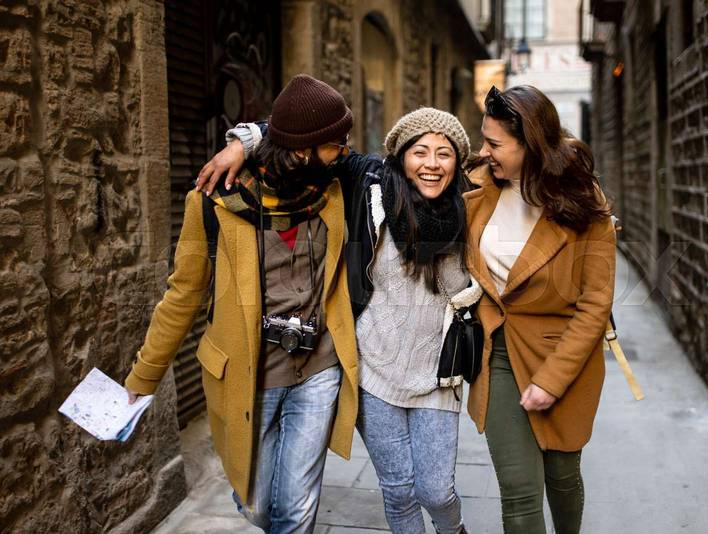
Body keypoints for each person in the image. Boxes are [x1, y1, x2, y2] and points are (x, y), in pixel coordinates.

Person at [198, 108, 482, 534]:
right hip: (374, 370)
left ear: (459, 160)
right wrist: (244, 141)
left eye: (444, 153)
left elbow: (529, 173)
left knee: (437, 492)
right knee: (399, 490)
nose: (432, 163)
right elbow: (301, 132)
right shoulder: (370, 184)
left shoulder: (475, 203)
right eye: (420, 151)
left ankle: (454, 529)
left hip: (437, 375)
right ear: (400, 155)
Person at [124, 74, 359, 533]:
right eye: (334, 144)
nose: (343, 153)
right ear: (300, 150)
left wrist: (249, 135)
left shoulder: (331, 192)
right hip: (248, 374)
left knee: (296, 509)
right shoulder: (212, 201)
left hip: (318, 368)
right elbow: (184, 293)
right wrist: (144, 375)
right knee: (256, 506)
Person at [463, 85, 616, 534]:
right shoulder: (479, 183)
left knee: (562, 477)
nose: (483, 150)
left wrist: (551, 380)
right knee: (519, 491)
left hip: (563, 357)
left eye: (494, 144)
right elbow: (391, 166)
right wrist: (250, 139)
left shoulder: (585, 204)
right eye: (483, 139)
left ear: (530, 145)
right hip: (499, 357)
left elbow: (595, 305)